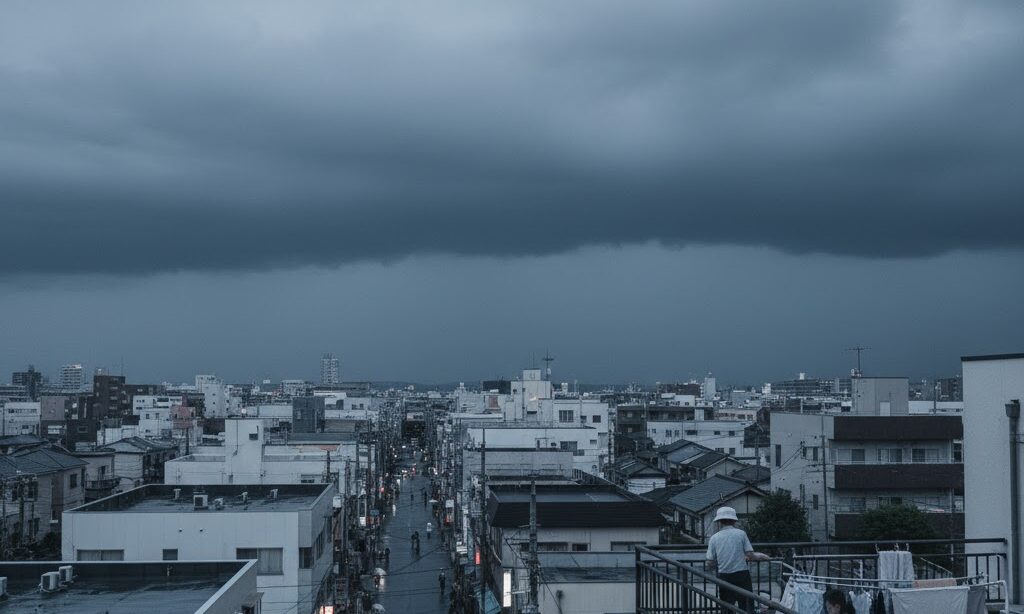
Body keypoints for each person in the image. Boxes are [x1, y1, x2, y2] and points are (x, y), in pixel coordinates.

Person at [704, 506, 769, 613]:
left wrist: (719, 564)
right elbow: (750, 554)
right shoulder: (741, 534)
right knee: (746, 605)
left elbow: (710, 562)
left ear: (719, 521)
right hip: (741, 575)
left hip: (724, 575)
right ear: (734, 520)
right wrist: (761, 556)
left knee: (727, 606)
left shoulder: (714, 538)